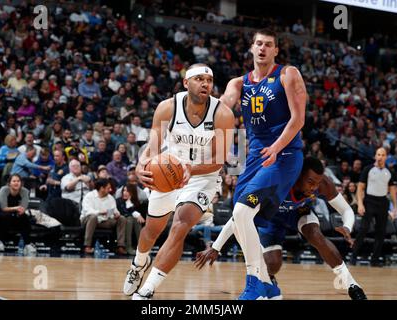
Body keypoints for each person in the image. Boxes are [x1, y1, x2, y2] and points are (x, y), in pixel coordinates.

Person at [123, 63, 234, 299]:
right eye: (199, 79)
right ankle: (139, 264)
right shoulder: (167, 108)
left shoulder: (223, 114)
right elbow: (152, 148)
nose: (205, 84)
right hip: (169, 172)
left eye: (209, 80)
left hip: (202, 176)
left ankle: (147, 290)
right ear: (186, 83)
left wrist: (191, 169)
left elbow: (219, 160)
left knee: (180, 225)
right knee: (151, 231)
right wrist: (141, 165)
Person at [195, 157, 367, 300]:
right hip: (272, 218)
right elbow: (237, 217)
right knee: (273, 263)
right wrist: (216, 247)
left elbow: (345, 209)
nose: (314, 187)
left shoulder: (322, 184)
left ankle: (352, 285)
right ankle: (269, 283)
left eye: (317, 183)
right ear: (297, 176)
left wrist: (347, 226)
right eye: (310, 182)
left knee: (316, 235)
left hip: (299, 213)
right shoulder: (276, 181)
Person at [218, 28, 306, 299]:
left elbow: (298, 119)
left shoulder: (287, 74)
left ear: (276, 50)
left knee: (244, 213)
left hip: (285, 154)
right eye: (258, 43)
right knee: (239, 217)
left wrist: (276, 147)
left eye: (268, 44)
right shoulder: (238, 83)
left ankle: (253, 284)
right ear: (252, 48)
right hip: (254, 156)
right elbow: (223, 107)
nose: (262, 48)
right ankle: (267, 283)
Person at [351, 147, 397, 267]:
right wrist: (360, 204)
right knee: (363, 229)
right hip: (369, 201)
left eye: (383, 155)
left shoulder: (389, 172)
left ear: (386, 157)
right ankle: (353, 256)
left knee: (381, 232)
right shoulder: (368, 169)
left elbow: (392, 191)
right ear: (375, 156)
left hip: (383, 202)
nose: (380, 157)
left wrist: (395, 207)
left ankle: (375, 260)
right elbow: (360, 188)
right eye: (378, 154)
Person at [80, 178, 127, 255]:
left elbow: (114, 210)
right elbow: (87, 211)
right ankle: (87, 246)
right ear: (102, 188)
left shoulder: (110, 198)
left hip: (105, 220)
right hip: (88, 220)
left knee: (121, 218)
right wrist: (100, 212)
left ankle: (120, 246)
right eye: (108, 188)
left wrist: (117, 214)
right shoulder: (89, 196)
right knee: (93, 217)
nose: (110, 190)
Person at [0, 174, 36, 255]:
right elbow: (4, 208)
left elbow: (23, 207)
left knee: (25, 218)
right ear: (9, 183)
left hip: (16, 213)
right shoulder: (4, 190)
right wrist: (16, 208)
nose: (16, 183)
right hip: (4, 213)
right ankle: (1, 242)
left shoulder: (25, 191)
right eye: (14, 181)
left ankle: (27, 244)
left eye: (18, 181)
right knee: (5, 216)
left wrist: (19, 211)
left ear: (21, 183)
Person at [116, 184, 145, 255]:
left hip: (131, 221)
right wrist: (136, 214)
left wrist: (136, 214)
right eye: (124, 190)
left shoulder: (136, 202)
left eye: (127, 191)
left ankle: (141, 247)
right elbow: (124, 212)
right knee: (130, 219)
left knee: (136, 220)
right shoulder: (119, 201)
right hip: (120, 221)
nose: (125, 193)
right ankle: (128, 246)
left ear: (132, 192)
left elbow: (141, 218)